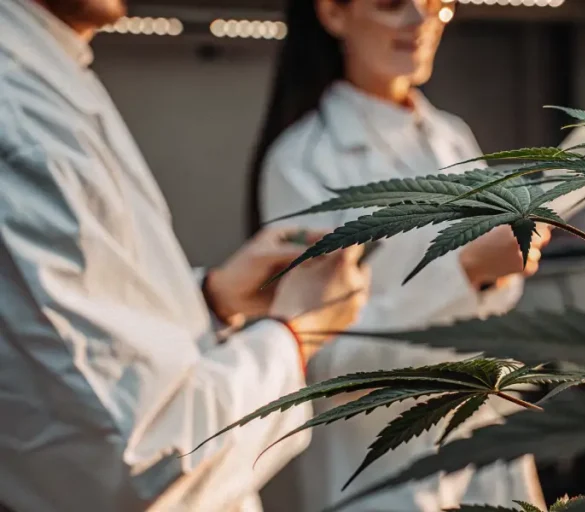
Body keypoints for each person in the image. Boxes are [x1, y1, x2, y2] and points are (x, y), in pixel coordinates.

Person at [0, 0, 371, 510]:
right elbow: (137, 466)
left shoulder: (54, 66)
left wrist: (211, 298)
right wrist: (295, 335)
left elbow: (84, 325)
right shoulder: (15, 106)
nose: (418, 23)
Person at [250, 0, 551, 510]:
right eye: (392, 4)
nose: (420, 21)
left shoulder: (451, 137)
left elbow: (489, 308)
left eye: (438, 5)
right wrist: (466, 270)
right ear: (333, 13)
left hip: (484, 445)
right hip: (383, 470)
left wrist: (500, 269)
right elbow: (323, 357)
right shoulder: (302, 162)